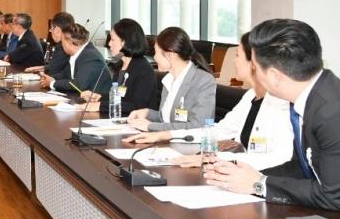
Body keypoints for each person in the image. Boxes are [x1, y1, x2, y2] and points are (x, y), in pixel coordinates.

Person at [203, 19, 340, 219]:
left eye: (256, 68)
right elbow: (300, 168)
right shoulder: (312, 96)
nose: (255, 75)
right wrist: (247, 176)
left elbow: (334, 197)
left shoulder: (335, 111)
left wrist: (258, 184)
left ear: (275, 76)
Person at [125, 32, 292, 171]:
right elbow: (218, 131)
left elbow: (279, 158)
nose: (234, 61)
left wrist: (214, 158)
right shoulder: (250, 97)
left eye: (237, 55)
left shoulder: (281, 104)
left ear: (254, 63)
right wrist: (164, 134)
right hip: (238, 174)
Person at [127, 26, 215, 132]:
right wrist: (147, 113)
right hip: (167, 140)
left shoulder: (204, 81)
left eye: (156, 52)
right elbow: (167, 119)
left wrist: (150, 126)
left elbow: (198, 126)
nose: (154, 57)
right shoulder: (169, 79)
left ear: (170, 55)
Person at [80, 18, 158, 116]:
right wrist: (99, 97)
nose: (109, 44)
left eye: (112, 39)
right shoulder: (120, 65)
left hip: (138, 122)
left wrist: (100, 106)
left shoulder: (144, 70)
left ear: (124, 42)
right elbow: (120, 98)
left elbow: (137, 106)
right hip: (120, 118)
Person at [41, 23, 110, 96]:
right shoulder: (78, 54)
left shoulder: (91, 57)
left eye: (62, 41)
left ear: (69, 42)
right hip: (81, 97)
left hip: (99, 101)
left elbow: (78, 85)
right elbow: (65, 74)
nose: (61, 44)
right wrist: (50, 78)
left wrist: (52, 83)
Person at [27, 11, 74, 76]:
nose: (51, 32)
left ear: (57, 30)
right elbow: (55, 65)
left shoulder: (62, 46)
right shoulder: (73, 43)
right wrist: (38, 68)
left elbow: (52, 71)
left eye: (51, 29)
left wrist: (38, 72)